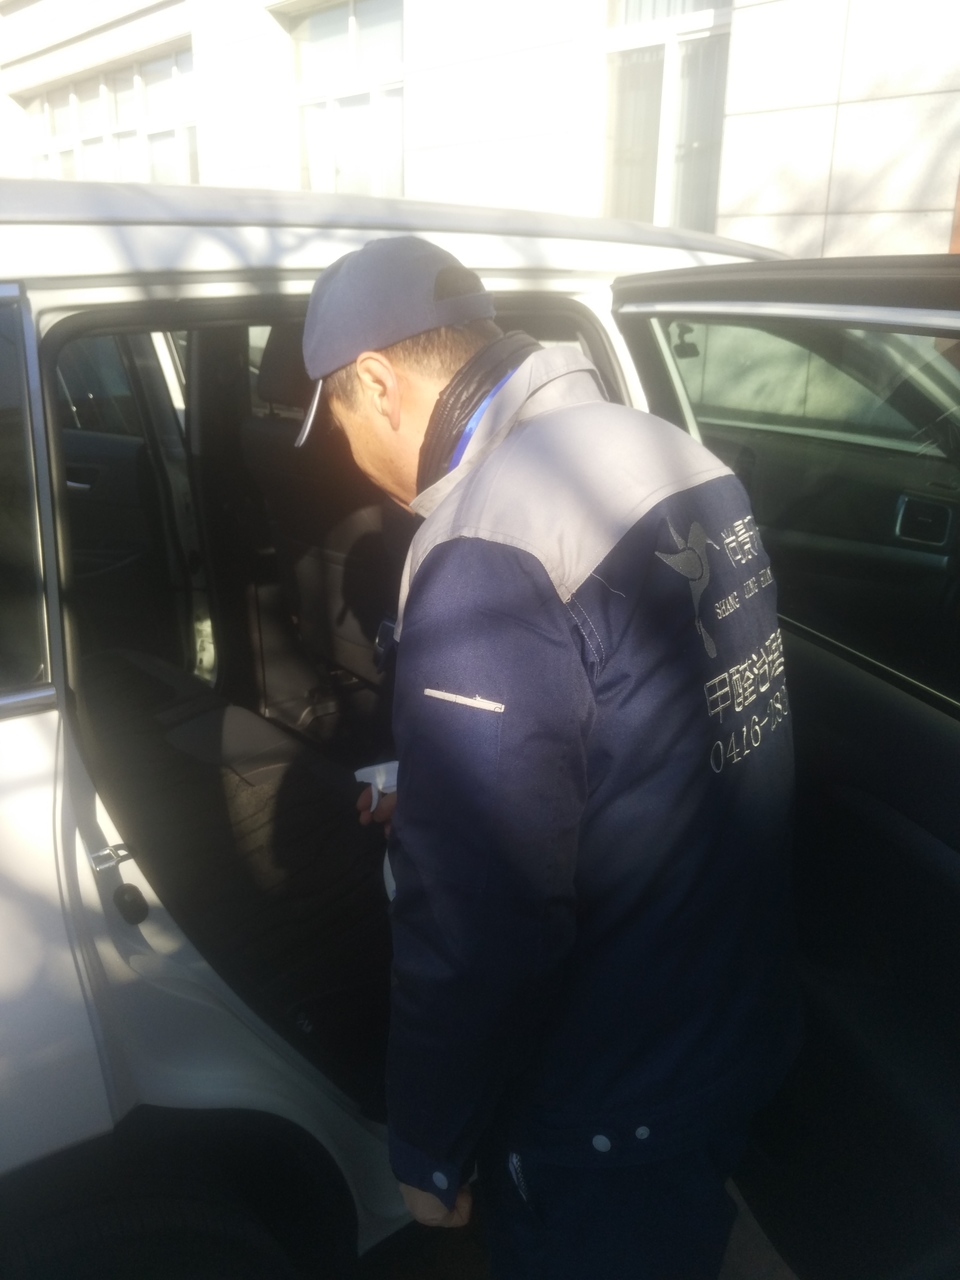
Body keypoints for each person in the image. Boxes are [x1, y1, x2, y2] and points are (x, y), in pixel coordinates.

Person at [297, 236, 800, 1279]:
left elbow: (478, 906)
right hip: (724, 1013)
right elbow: (652, 735)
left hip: (605, 1096)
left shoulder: (491, 537)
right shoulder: (670, 450)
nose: (345, 453)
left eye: (337, 421)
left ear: (379, 384)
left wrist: (430, 1141)